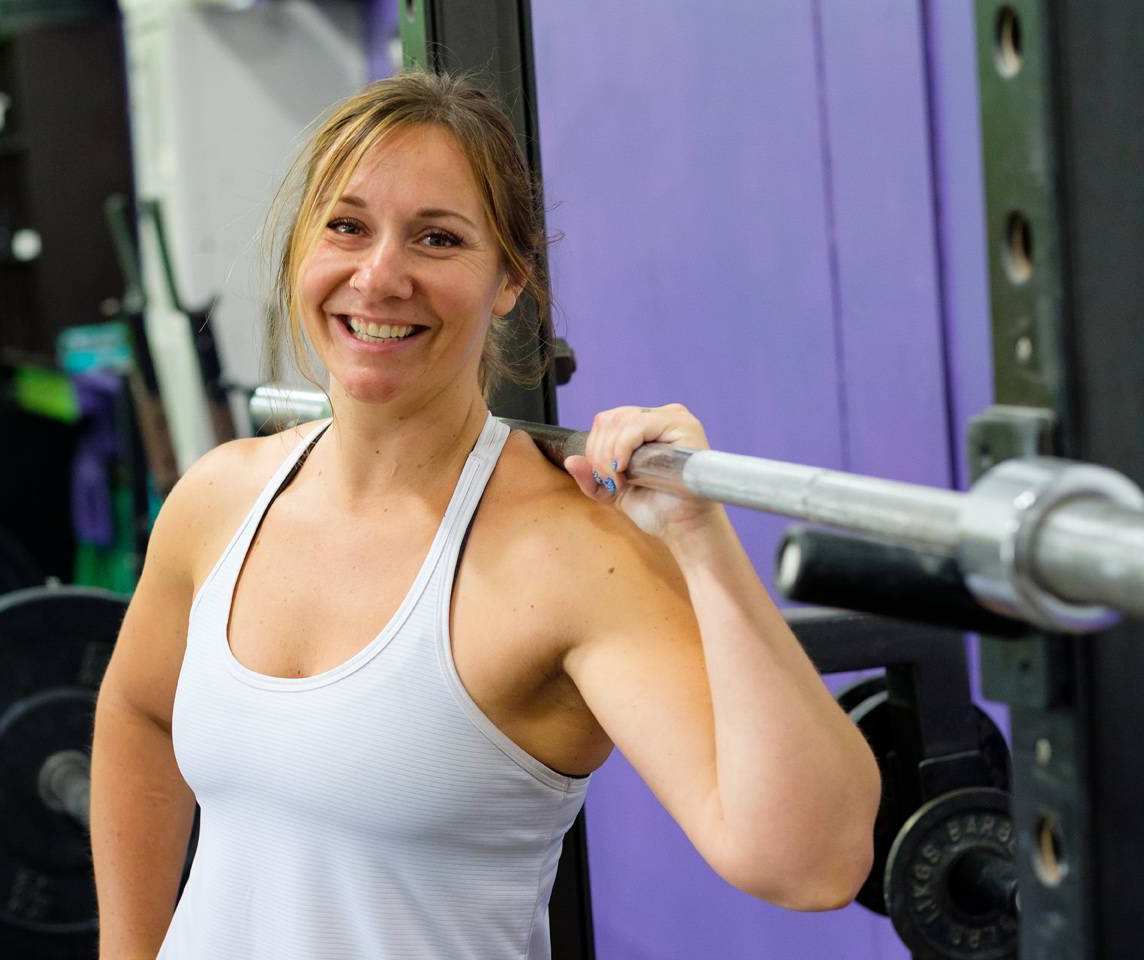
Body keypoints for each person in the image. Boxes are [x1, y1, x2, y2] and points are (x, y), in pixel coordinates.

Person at [91, 71, 881, 959]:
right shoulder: (219, 498)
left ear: (509, 279)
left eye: (437, 238)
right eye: (347, 227)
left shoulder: (567, 558)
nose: (380, 276)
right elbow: (140, 715)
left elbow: (811, 862)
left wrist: (702, 544)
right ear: (301, 250)